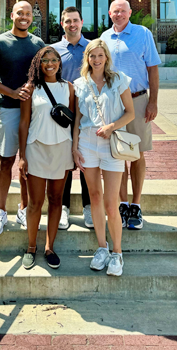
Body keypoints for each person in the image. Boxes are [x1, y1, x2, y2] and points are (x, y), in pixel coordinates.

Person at [0, 1, 44, 236]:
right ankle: (0, 211)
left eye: (28, 14)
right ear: (12, 15)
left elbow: (43, 72)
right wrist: (13, 93)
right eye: (20, 13)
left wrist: (29, 86)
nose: (24, 17)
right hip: (8, 109)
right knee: (6, 160)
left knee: (27, 163)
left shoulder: (38, 43)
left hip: (33, 112)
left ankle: (24, 209)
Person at [72, 39, 134, 277]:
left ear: (106, 57)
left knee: (111, 203)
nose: (96, 60)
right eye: (92, 56)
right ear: (87, 58)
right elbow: (77, 118)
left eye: (100, 56)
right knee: (94, 199)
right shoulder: (79, 84)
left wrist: (111, 126)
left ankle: (117, 253)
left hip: (112, 145)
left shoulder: (119, 79)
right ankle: (102, 248)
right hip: (87, 144)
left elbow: (130, 113)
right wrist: (74, 146)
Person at [101, 0, 161, 230]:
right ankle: (122, 203)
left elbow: (153, 69)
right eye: (115, 11)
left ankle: (135, 205)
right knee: (117, 155)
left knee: (136, 154)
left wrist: (153, 101)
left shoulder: (142, 33)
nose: (119, 15)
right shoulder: (105, 38)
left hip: (137, 101)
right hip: (112, 104)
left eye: (123, 11)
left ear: (130, 12)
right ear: (110, 13)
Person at [18, 46, 75, 270]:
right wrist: (22, 156)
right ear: (38, 64)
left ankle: (50, 247)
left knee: (56, 199)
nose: (50, 64)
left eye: (54, 60)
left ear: (60, 63)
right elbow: (24, 123)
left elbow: (73, 121)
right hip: (36, 148)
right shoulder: (31, 88)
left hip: (61, 148)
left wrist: (74, 149)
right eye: (45, 60)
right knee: (35, 203)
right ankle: (31, 247)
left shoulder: (68, 88)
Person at [51, 6, 93, 230]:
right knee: (64, 162)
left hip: (88, 114)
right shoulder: (54, 50)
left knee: (86, 160)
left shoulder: (92, 48)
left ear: (82, 22)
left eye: (75, 20)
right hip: (63, 114)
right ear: (62, 24)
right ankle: (63, 207)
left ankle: (88, 207)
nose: (72, 24)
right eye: (67, 21)